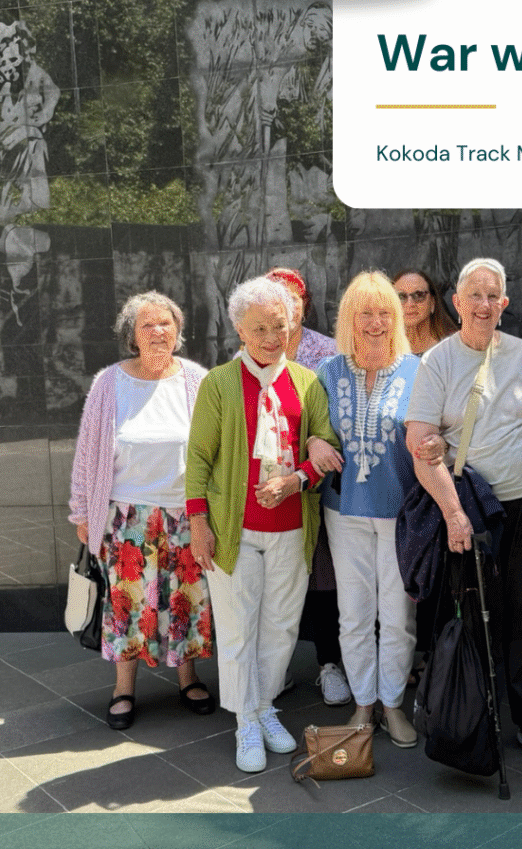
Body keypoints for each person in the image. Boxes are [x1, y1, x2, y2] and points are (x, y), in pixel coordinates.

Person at [405, 257, 522, 763]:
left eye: (491, 295)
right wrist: (454, 514)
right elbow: (420, 444)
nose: (482, 304)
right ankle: (478, 720)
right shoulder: (437, 362)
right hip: (473, 511)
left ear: (504, 304)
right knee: (477, 618)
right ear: (456, 303)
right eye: (472, 295)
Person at [185, 276, 342, 773]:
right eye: (260, 328)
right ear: (238, 328)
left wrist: (299, 476)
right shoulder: (218, 384)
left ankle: (266, 706)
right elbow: (198, 458)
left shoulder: (307, 381)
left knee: (279, 628)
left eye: (281, 325)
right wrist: (198, 523)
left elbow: (324, 443)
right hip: (235, 530)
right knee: (238, 630)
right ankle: (246, 722)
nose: (273, 337)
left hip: (292, 528)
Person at [68, 291, 214, 730]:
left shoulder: (196, 380)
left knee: (188, 600)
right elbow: (87, 454)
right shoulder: (109, 384)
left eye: (166, 324)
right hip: (127, 516)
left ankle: (188, 678)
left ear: (178, 331)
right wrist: (83, 513)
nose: (157, 332)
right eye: (147, 325)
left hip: (186, 515)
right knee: (128, 605)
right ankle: (124, 688)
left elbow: (216, 448)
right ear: (131, 334)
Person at [316, 271, 424, 747]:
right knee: (354, 613)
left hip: (401, 512)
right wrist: (317, 441)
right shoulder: (328, 372)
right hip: (345, 509)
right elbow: (311, 430)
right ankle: (363, 704)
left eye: (385, 313)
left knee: (398, 615)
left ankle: (394, 704)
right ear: (349, 319)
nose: (376, 322)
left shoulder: (418, 370)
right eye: (366, 313)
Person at [264, 265, 351, 707]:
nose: (285, 306)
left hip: (319, 483)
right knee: (276, 579)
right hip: (268, 487)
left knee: (323, 579)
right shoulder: (256, 349)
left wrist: (314, 442)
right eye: (275, 297)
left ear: (304, 303)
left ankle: (329, 665)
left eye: (292, 297)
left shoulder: (328, 352)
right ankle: (273, 670)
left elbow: (338, 418)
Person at [392, 268, 457, 355]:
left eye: (419, 295)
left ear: (432, 302)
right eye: (401, 297)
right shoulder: (381, 350)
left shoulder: (454, 348)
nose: (410, 304)